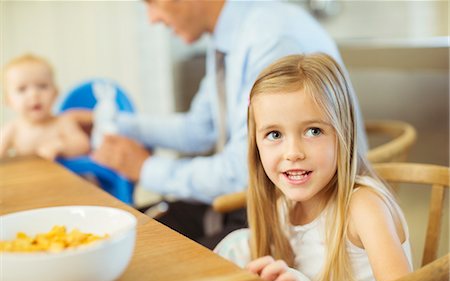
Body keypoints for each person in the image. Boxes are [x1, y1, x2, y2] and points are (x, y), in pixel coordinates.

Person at [85, 0, 368, 249]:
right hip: (256, 199)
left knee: (151, 257)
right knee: (128, 235)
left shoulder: (269, 40)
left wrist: (145, 168)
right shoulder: (228, 38)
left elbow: (242, 172)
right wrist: (112, 125)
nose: (151, 18)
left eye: (153, 2)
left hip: (287, 209)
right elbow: (198, 129)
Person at [214, 53, 412, 281]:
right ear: (256, 145)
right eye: (275, 135)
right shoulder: (283, 207)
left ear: (344, 134)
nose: (293, 153)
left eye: (313, 131)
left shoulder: (363, 208)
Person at [0, 54, 90, 160]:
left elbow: (83, 145)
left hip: (61, 175)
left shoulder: (62, 122)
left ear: (55, 93)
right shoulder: (12, 129)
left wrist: (61, 146)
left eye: (42, 86)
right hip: (30, 175)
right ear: (8, 100)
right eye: (22, 89)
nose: (34, 94)